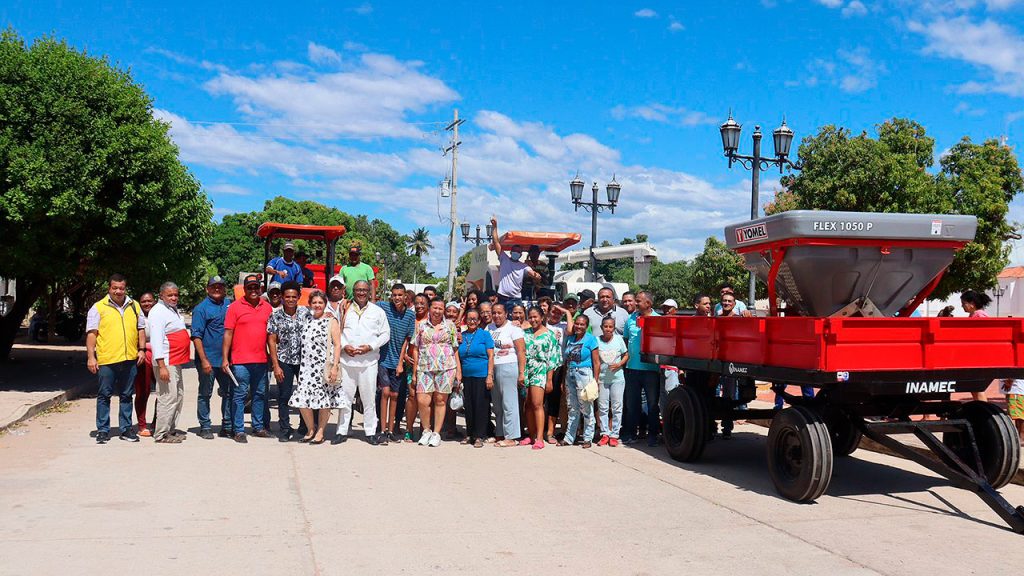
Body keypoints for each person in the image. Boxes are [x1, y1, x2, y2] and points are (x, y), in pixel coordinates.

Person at [85, 274, 146, 444]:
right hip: (107, 360)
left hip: (130, 359)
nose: (118, 291)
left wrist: (141, 350)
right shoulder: (98, 308)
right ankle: (103, 430)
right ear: (109, 288)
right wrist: (91, 357)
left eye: (121, 288)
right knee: (104, 395)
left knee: (127, 395)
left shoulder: (134, 306)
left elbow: (141, 329)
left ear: (125, 288)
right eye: (115, 288)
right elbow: (92, 334)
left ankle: (126, 429)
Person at [335, 280, 390, 445]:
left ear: (369, 291)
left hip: (368, 362)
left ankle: (370, 432)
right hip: (347, 361)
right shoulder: (344, 309)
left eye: (364, 290)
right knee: (344, 398)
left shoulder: (378, 311)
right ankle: (341, 431)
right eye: (358, 290)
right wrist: (344, 346)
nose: (361, 293)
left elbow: (385, 334)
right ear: (353, 291)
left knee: (369, 398)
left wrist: (370, 347)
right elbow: (336, 330)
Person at [222, 274, 274, 443]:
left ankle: (258, 427)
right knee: (240, 395)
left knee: (260, 394)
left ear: (260, 289)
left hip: (260, 360)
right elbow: (228, 333)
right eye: (250, 287)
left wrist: (272, 359)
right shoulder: (234, 307)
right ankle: (238, 430)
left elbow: (270, 336)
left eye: (256, 287)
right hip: (240, 361)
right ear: (244, 289)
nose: (253, 290)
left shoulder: (266, 307)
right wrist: (225, 358)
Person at [289, 290, 342, 444]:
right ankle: (310, 429)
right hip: (306, 367)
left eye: (320, 302)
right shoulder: (306, 319)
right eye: (314, 302)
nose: (317, 305)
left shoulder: (331, 321)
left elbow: (338, 344)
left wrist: (335, 366)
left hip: (323, 367)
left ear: (325, 304)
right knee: (302, 400)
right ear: (310, 304)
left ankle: (320, 432)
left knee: (324, 400)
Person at [411, 297, 461, 447]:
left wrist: (458, 369)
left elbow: (455, 348)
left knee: (440, 400)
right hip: (424, 367)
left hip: (446, 367)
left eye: (440, 308)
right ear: (429, 309)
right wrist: (415, 371)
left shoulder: (450, 326)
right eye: (435, 308)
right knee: (423, 401)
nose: (437, 311)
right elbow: (415, 348)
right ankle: (426, 430)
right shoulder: (420, 326)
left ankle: (436, 433)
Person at [267, 281, 312, 442]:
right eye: (288, 297)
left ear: (299, 297)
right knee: (284, 395)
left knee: (304, 394)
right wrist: (276, 365)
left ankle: (304, 426)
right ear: (282, 297)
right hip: (284, 360)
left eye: (294, 296)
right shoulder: (275, 316)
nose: (291, 299)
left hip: (304, 361)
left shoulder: (306, 313)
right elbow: (271, 341)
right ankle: (285, 428)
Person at [148, 282, 191, 444]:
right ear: (161, 296)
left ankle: (170, 429)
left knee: (178, 396)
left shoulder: (171, 310)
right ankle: (161, 434)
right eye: (170, 295)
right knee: (167, 397)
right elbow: (157, 341)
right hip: (166, 362)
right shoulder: (158, 312)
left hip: (175, 361)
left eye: (175, 295)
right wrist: (162, 366)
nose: (174, 298)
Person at [191, 276, 233, 439]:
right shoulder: (201, 309)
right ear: (207, 289)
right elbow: (196, 337)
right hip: (208, 360)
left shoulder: (230, 305)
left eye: (220, 286)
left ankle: (227, 425)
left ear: (225, 289)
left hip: (226, 361)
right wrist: (204, 360)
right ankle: (205, 426)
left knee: (228, 392)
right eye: (213, 286)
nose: (217, 289)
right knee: (205, 394)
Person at [377, 284, 416, 444]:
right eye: (394, 295)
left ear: (405, 296)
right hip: (383, 358)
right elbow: (368, 302)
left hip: (397, 360)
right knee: (385, 393)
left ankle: (391, 429)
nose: (397, 298)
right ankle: (382, 429)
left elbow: (407, 340)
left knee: (395, 395)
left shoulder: (410, 316)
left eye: (400, 295)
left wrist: (401, 362)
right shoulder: (383, 307)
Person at [622, 291, 661, 447]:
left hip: (651, 370)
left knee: (652, 405)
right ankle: (631, 434)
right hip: (632, 369)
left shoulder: (659, 320)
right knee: (632, 404)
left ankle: (653, 435)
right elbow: (626, 340)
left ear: (648, 304)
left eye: (638, 301)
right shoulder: (631, 319)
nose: (635, 303)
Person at [521, 306, 561, 449]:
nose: (533, 320)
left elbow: (553, 359)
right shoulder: (524, 333)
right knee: (528, 405)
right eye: (530, 317)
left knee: (537, 404)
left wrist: (549, 380)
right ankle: (531, 436)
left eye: (535, 317)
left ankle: (539, 438)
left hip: (540, 370)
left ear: (542, 317)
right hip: (526, 369)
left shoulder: (550, 335)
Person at [488, 302, 526, 447]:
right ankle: (500, 433)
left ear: (506, 314)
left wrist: (521, 372)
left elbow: (521, 351)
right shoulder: (489, 328)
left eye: (499, 313)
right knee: (497, 405)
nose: (496, 316)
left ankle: (512, 436)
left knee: (509, 403)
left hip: (509, 366)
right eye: (494, 313)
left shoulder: (513, 328)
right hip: (494, 367)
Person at [456, 308, 495, 447]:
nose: (472, 321)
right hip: (467, 375)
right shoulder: (462, 335)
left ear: (479, 321)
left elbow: (491, 356)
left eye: (475, 319)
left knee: (481, 405)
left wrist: (489, 375)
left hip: (482, 375)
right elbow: (457, 355)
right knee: (469, 405)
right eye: (469, 319)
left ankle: (480, 435)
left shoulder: (485, 335)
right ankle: (470, 434)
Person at [561, 315, 600, 448]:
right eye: (577, 324)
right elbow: (566, 360)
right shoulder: (570, 339)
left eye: (582, 324)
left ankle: (588, 438)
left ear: (586, 326)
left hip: (584, 374)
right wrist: (563, 379)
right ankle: (569, 437)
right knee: (572, 408)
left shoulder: (591, 339)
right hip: (570, 373)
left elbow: (596, 362)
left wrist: (595, 380)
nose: (578, 326)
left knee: (586, 407)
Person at [488, 216, 541, 307]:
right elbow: (496, 242)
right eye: (515, 251)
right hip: (502, 297)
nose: (516, 253)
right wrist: (495, 227)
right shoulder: (504, 258)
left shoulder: (523, 266)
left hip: (515, 299)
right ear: (511, 252)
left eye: (518, 251)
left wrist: (536, 276)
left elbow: (532, 273)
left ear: (521, 254)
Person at [401, 292, 430, 442]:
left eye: (422, 303)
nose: (419, 306)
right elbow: (404, 339)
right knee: (412, 396)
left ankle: (426, 429)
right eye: (417, 303)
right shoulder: (410, 319)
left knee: (425, 398)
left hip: (428, 365)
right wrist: (405, 355)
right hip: (410, 363)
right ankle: (409, 429)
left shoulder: (432, 320)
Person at [596, 316, 628, 446]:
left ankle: (615, 434)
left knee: (617, 406)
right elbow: (596, 361)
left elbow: (626, 355)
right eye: (605, 326)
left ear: (614, 328)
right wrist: (595, 378)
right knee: (602, 407)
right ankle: (604, 433)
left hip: (617, 378)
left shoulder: (619, 340)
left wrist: (619, 364)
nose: (608, 329)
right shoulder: (597, 341)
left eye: (610, 327)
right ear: (601, 327)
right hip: (603, 378)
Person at [962, 289, 993, 401]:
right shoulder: (975, 315)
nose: (962, 306)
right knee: (975, 388)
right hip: (977, 356)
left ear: (972, 303)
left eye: (964, 304)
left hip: (978, 356)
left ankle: (983, 411)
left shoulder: (979, 315)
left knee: (977, 388)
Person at [132, 292, 156, 437]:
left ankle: (157, 422)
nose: (147, 304)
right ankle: (142, 425)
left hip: (159, 355)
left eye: (150, 301)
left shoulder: (160, 314)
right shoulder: (136, 316)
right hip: (143, 355)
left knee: (163, 391)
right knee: (143, 391)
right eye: (143, 301)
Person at [544, 305, 568, 444]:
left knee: (555, 399)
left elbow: (571, 328)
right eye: (554, 311)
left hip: (558, 366)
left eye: (559, 313)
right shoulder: (543, 324)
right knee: (540, 401)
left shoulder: (564, 326)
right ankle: (538, 430)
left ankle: (551, 432)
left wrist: (565, 312)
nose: (556, 315)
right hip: (542, 366)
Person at [1000, 379, 1024, 443]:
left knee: (1019, 414)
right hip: (1015, 389)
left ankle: (1021, 436)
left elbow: (1016, 369)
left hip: (1016, 389)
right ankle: (1019, 435)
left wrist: (1009, 380)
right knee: (1017, 414)